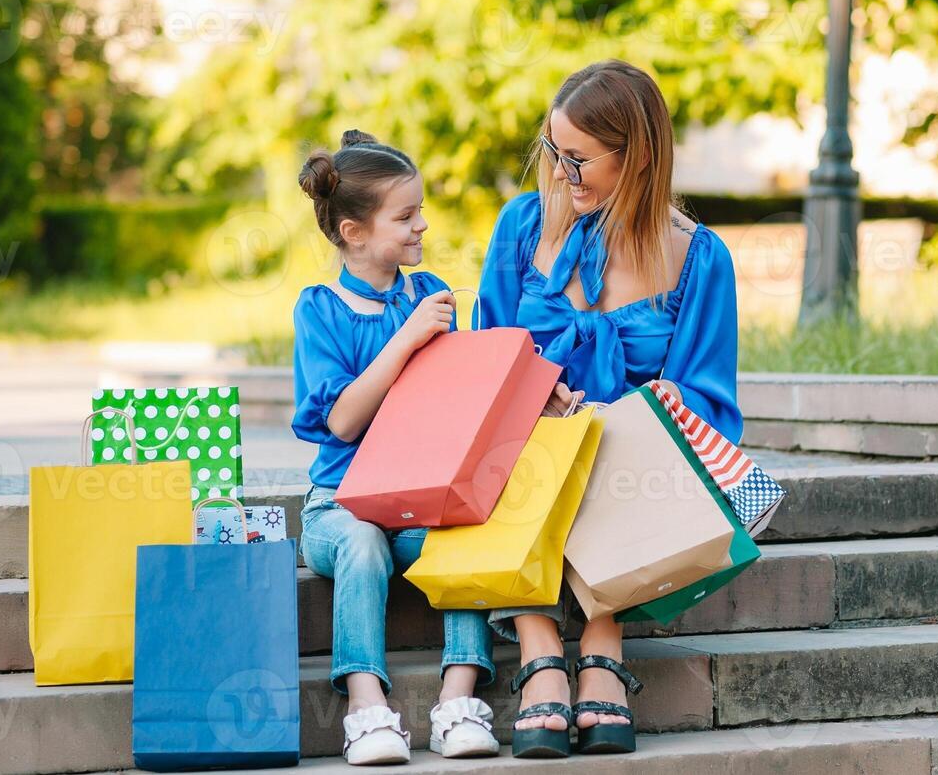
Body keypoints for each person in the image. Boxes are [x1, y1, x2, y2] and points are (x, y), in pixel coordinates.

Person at [477, 60, 742, 757]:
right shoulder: (522, 228)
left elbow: (713, 401)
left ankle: (601, 638)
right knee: (536, 440)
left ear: (638, 156)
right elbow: (484, 355)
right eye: (552, 152)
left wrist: (667, 398)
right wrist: (535, 391)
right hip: (528, 450)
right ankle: (540, 644)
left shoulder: (697, 258)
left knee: (615, 435)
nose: (562, 173)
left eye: (578, 159)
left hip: (633, 470)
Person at [291, 129, 498, 765]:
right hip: (340, 504)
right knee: (360, 540)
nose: (421, 227)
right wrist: (406, 337)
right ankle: (366, 706)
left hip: (418, 497)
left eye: (421, 211)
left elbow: (448, 398)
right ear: (354, 232)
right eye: (405, 216)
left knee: (466, 535)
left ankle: (458, 699)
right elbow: (346, 421)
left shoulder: (427, 290)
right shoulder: (320, 309)